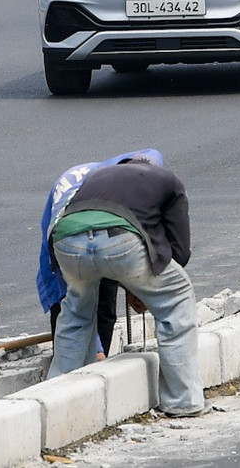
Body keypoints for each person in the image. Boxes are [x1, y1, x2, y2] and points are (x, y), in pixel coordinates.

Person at [47, 154, 205, 418]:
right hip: (120, 239)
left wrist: (130, 281)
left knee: (76, 312)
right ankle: (183, 401)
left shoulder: (96, 176)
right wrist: (142, 287)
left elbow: (95, 255)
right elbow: (180, 252)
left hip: (65, 241)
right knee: (176, 298)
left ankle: (56, 402)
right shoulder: (168, 181)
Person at [37, 149, 165, 358]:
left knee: (105, 308)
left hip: (100, 232)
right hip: (66, 249)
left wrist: (138, 286)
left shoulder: (136, 178)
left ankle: (98, 365)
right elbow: (64, 282)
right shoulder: (71, 215)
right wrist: (96, 350)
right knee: (70, 315)